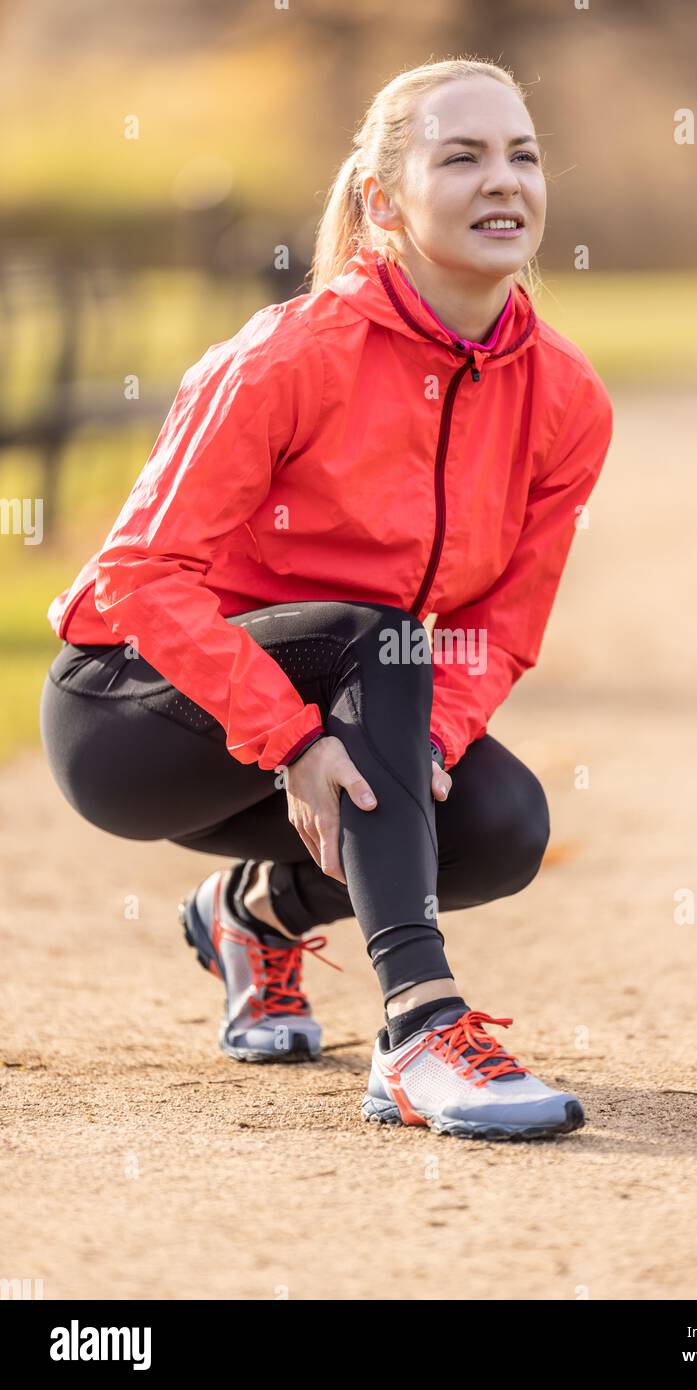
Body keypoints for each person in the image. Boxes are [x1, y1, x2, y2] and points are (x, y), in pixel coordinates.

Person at [39, 57, 613, 1141]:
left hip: (342, 697)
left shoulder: (567, 399)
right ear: (382, 200)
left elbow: (502, 624)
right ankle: (420, 1029)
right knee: (382, 638)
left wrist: (428, 748)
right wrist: (291, 737)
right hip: (134, 713)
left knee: (499, 823)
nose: (505, 180)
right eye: (464, 156)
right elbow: (138, 575)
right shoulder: (289, 354)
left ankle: (251, 919)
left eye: (523, 155)